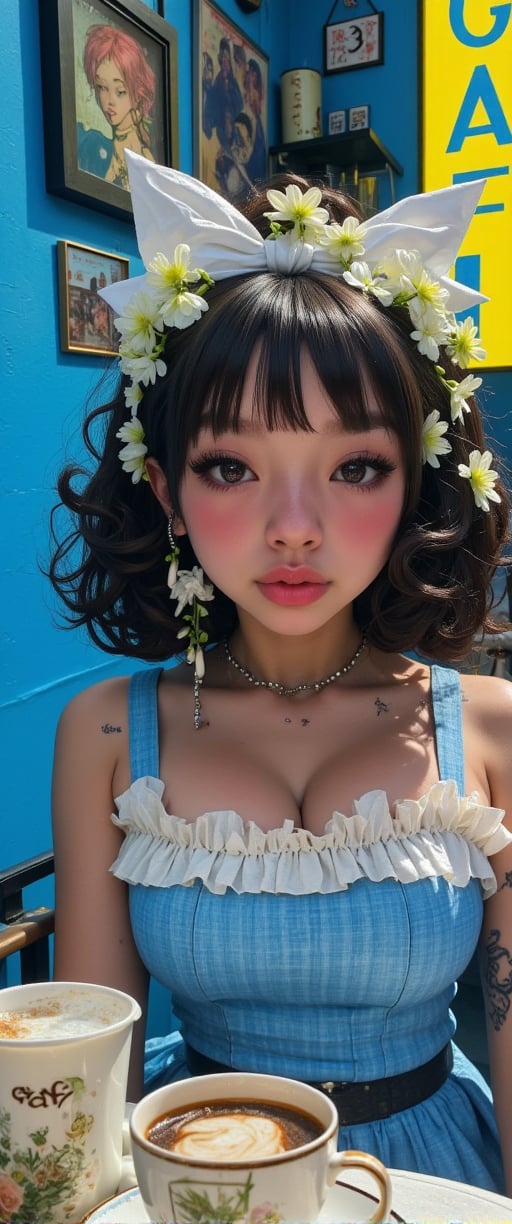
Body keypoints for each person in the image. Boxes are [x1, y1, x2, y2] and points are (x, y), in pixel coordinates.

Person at [49, 150, 512, 1195]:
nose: (292, 530)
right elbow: (93, 1065)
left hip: (428, 1182)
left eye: (354, 467)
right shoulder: (107, 734)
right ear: (166, 490)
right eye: (229, 468)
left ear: (415, 483)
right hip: (191, 1179)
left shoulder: (488, 728)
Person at [78, 24, 155, 189]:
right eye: (101, 87)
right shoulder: (91, 143)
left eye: (120, 91)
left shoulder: (146, 161)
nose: (109, 101)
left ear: (138, 93)